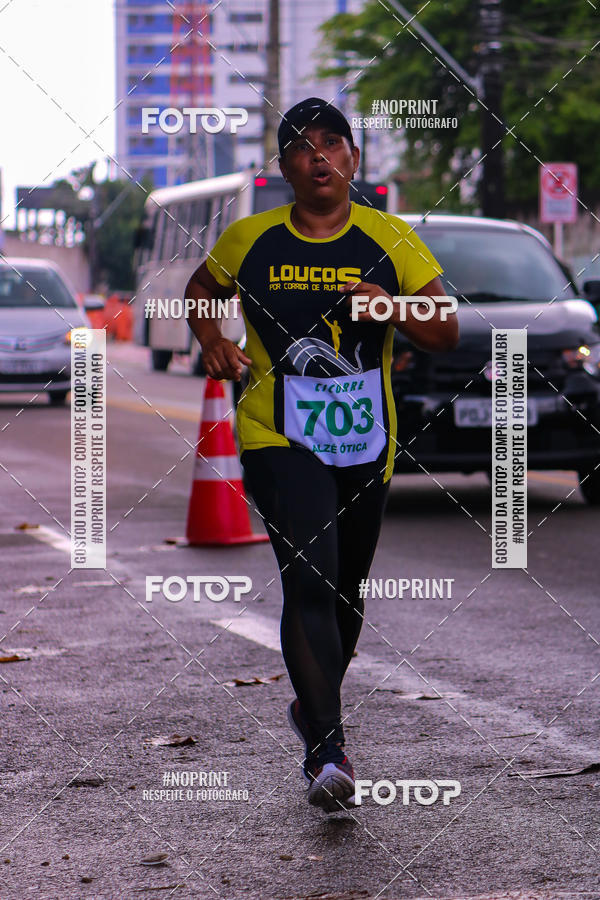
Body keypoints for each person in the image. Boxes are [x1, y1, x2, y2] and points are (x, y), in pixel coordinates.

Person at [185, 97, 458, 813]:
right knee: (309, 575)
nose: (319, 157)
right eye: (303, 147)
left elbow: (446, 330)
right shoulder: (249, 238)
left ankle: (312, 709)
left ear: (353, 160)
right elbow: (201, 290)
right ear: (283, 169)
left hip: (366, 439)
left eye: (332, 143)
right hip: (278, 433)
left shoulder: (391, 239)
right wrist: (212, 339)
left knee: (344, 591)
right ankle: (327, 751)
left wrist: (392, 306)